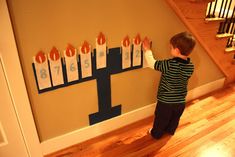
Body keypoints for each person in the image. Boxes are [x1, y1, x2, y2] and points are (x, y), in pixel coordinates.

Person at [142, 32, 196, 139]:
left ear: (177, 50)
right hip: (180, 101)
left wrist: (147, 49)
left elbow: (152, 63)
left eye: (171, 47)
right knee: (174, 118)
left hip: (166, 102)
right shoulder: (190, 66)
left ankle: (156, 134)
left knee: (161, 119)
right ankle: (170, 130)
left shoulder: (169, 64)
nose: (170, 49)